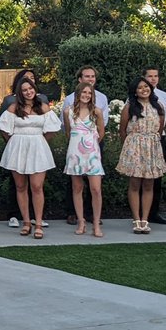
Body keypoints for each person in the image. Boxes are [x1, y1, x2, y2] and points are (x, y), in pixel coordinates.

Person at [0, 77, 61, 238]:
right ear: (20, 92)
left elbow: (53, 128)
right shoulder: (13, 107)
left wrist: (41, 142)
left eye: (30, 89)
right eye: (24, 90)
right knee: (20, 186)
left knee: (37, 186)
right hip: (18, 147)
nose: (28, 92)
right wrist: (13, 142)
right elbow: (3, 127)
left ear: (34, 89)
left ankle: (38, 223)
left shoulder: (43, 107)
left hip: (38, 147)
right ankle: (25, 222)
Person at [116, 77, 166, 234]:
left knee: (149, 184)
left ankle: (145, 219)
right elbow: (122, 130)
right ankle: (136, 219)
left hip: (152, 147)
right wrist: (130, 147)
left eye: (146, 86)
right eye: (140, 88)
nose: (144, 89)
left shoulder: (158, 106)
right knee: (135, 183)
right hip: (135, 148)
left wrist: (151, 142)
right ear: (135, 91)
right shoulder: (130, 107)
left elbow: (159, 129)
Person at [63, 82, 105, 237]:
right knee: (77, 188)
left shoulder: (97, 112)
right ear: (78, 93)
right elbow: (68, 132)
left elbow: (101, 133)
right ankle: (81, 221)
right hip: (75, 154)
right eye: (84, 92)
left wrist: (90, 145)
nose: (86, 95)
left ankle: (96, 223)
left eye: (89, 93)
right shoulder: (68, 111)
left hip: (92, 154)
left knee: (95, 189)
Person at [144, 66, 166, 225]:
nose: (153, 79)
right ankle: (140, 213)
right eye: (150, 76)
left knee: (156, 177)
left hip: (158, 138)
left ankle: (154, 212)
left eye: (156, 76)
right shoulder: (135, 95)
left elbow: (164, 118)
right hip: (141, 140)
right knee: (141, 177)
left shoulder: (165, 96)